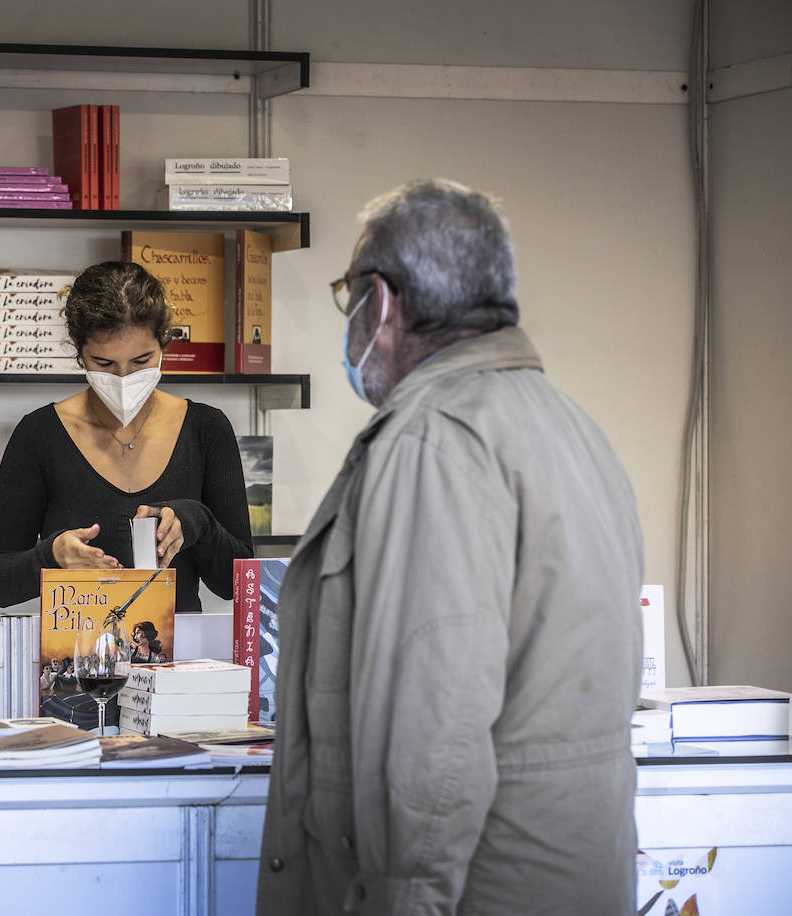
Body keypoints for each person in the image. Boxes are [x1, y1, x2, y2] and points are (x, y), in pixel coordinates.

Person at [257, 179, 643, 914]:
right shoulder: (568, 426)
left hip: (469, 893)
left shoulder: (435, 439)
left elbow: (430, 728)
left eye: (349, 298)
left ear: (383, 301)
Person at [0, 261, 253, 611]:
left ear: (164, 345)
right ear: (79, 352)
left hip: (181, 659)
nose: (123, 378)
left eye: (141, 361)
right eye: (104, 364)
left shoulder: (207, 429)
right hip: (75, 658)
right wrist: (51, 556)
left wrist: (196, 521)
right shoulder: (38, 434)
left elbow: (236, 584)